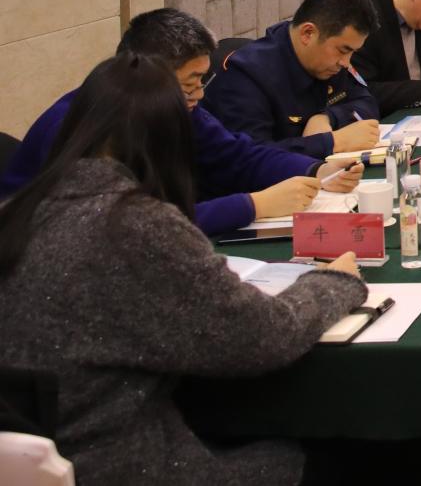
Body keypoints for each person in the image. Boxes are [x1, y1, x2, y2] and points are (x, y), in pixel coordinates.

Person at [0, 55, 366, 486]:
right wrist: (334, 283)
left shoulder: (21, 209)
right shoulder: (134, 224)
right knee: (338, 451)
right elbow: (261, 337)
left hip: (39, 455)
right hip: (120, 463)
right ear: (168, 138)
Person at [0, 9, 363, 237]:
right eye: (190, 84)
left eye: (200, 82)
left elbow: (237, 156)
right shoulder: (77, 128)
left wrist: (316, 169)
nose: (199, 95)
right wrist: (253, 205)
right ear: (148, 74)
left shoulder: (176, 110)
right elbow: (129, 226)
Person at [203, 0, 382, 160]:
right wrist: (332, 142)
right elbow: (251, 157)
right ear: (307, 33)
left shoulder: (328, 62)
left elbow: (367, 103)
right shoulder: (248, 76)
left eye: (352, 53)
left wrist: (327, 118)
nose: (346, 62)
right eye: (343, 50)